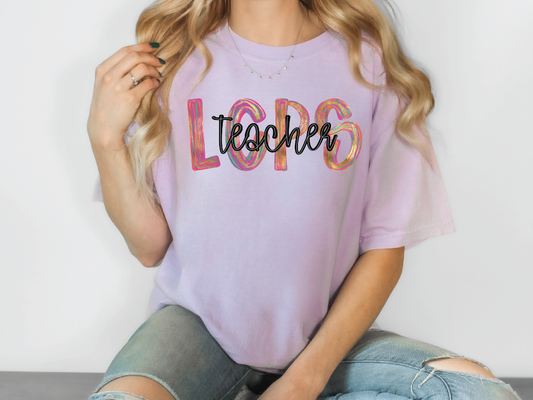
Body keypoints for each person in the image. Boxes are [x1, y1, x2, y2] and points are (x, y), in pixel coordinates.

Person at [86, 0, 522, 399]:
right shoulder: (174, 60)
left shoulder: (367, 62)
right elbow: (149, 247)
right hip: (192, 333)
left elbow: (385, 247)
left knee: (480, 393)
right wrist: (105, 139)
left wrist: (302, 381)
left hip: (323, 342)